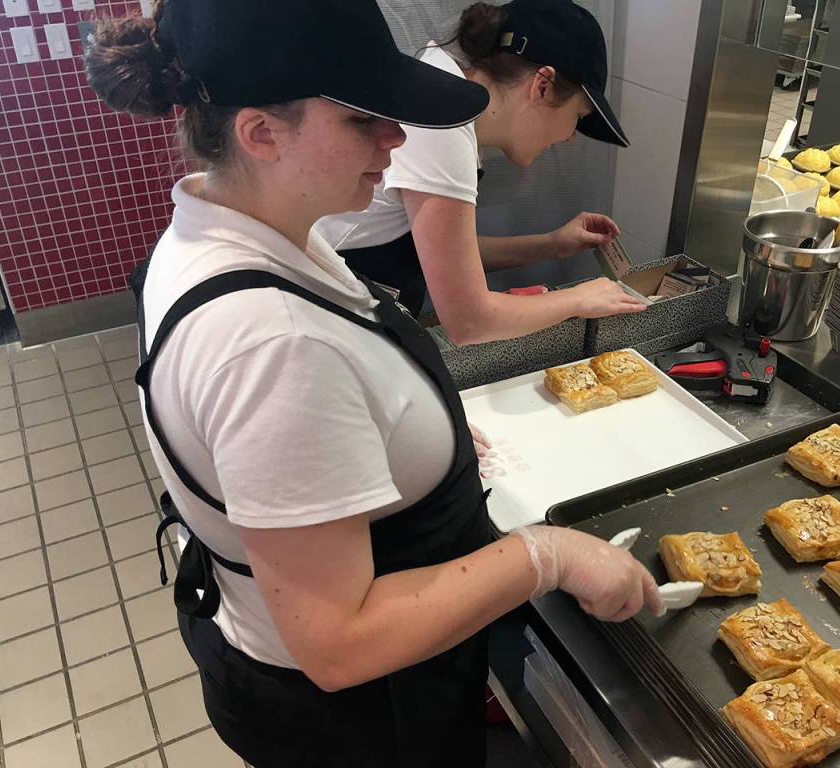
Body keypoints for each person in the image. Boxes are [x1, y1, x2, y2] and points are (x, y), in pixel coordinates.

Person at [86, 2, 661, 766]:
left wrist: (404, 438)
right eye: (364, 118)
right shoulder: (270, 343)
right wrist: (546, 555)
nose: (396, 136)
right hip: (354, 718)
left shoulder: (242, 230)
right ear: (261, 133)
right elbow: (340, 640)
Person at [315, 0, 645, 343]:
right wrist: (579, 299)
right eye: (577, 117)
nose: (570, 138)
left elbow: (450, 255)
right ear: (542, 86)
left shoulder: (448, 97)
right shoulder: (443, 119)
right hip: (333, 328)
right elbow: (469, 321)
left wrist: (552, 245)